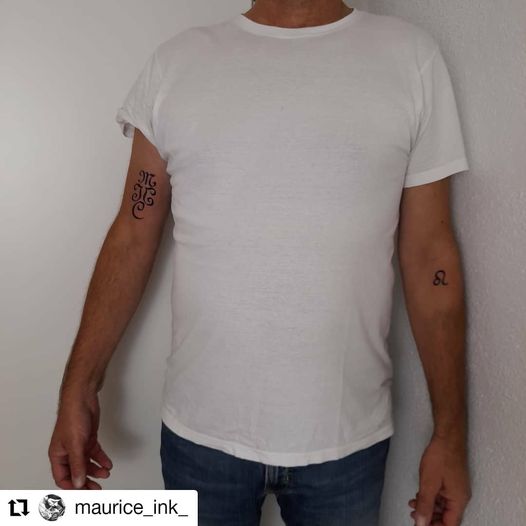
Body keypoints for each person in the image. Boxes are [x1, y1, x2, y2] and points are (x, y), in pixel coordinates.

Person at [48, 1, 472, 524]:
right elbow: (133, 233)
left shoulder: (410, 58)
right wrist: (79, 384)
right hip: (200, 436)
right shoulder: (176, 64)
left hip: (347, 443)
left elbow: (431, 257)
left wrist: (451, 434)